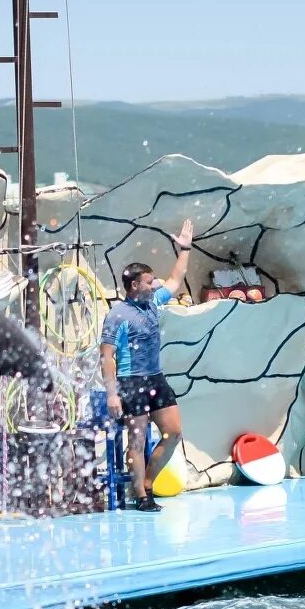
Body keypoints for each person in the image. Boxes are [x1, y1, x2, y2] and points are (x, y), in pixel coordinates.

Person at [100, 219, 195, 512]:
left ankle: (148, 483)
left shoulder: (153, 302)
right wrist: (112, 394)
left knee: (174, 432)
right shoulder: (118, 315)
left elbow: (177, 279)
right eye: (148, 281)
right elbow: (106, 357)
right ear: (133, 285)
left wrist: (185, 248)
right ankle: (141, 495)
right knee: (137, 441)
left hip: (155, 379)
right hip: (131, 382)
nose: (154, 285)